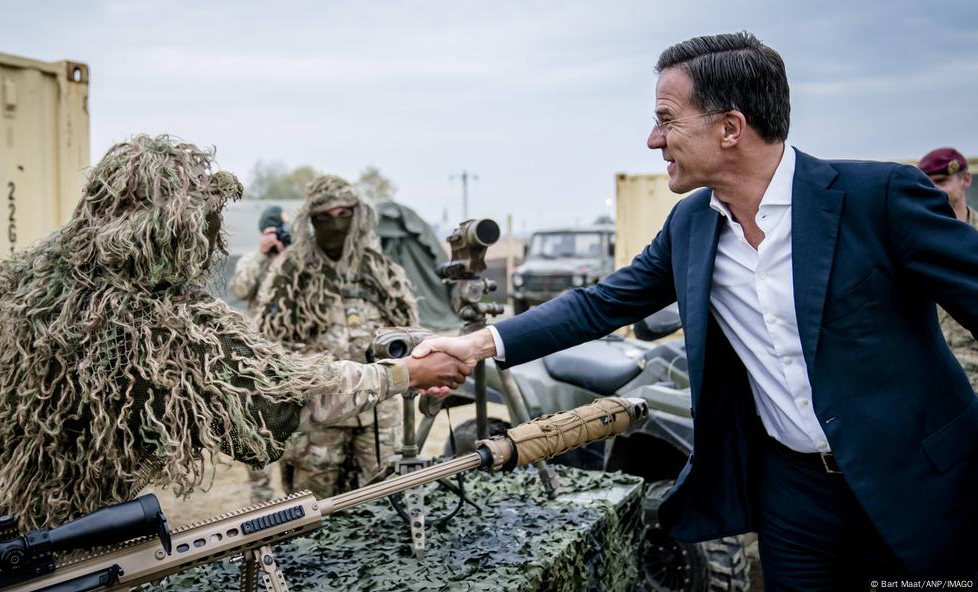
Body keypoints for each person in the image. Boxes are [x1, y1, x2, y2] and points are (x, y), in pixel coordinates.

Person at [414, 33, 978, 586]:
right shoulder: (691, 225)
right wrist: (475, 344)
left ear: (730, 128)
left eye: (666, 118)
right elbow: (601, 302)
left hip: (918, 487)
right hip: (794, 498)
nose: (653, 140)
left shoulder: (878, 197)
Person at [0, 136, 469, 554]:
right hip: (62, 533)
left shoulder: (37, 278)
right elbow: (288, 393)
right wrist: (405, 376)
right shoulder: (140, 321)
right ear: (169, 228)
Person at [254, 175, 416, 498]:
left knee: (383, 506)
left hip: (378, 419)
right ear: (310, 222)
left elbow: (409, 330)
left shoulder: (378, 269)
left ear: (358, 215)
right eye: (324, 218)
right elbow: (268, 347)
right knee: (313, 513)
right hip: (319, 418)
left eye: (344, 214)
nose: (336, 224)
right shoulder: (291, 272)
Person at [227, 205, 292, 503]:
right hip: (261, 365)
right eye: (274, 231)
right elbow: (239, 290)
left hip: (297, 360)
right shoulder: (253, 260)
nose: (280, 236)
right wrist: (263, 254)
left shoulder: (297, 259)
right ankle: (262, 506)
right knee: (258, 439)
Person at [919, 147, 978, 393]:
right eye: (928, 183)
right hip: (936, 384)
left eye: (942, 181)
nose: (934, 189)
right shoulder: (915, 244)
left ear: (965, 180)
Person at [227, 205, 289, 302]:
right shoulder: (250, 259)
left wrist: (284, 256)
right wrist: (261, 256)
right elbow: (240, 292)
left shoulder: (295, 254)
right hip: (260, 315)